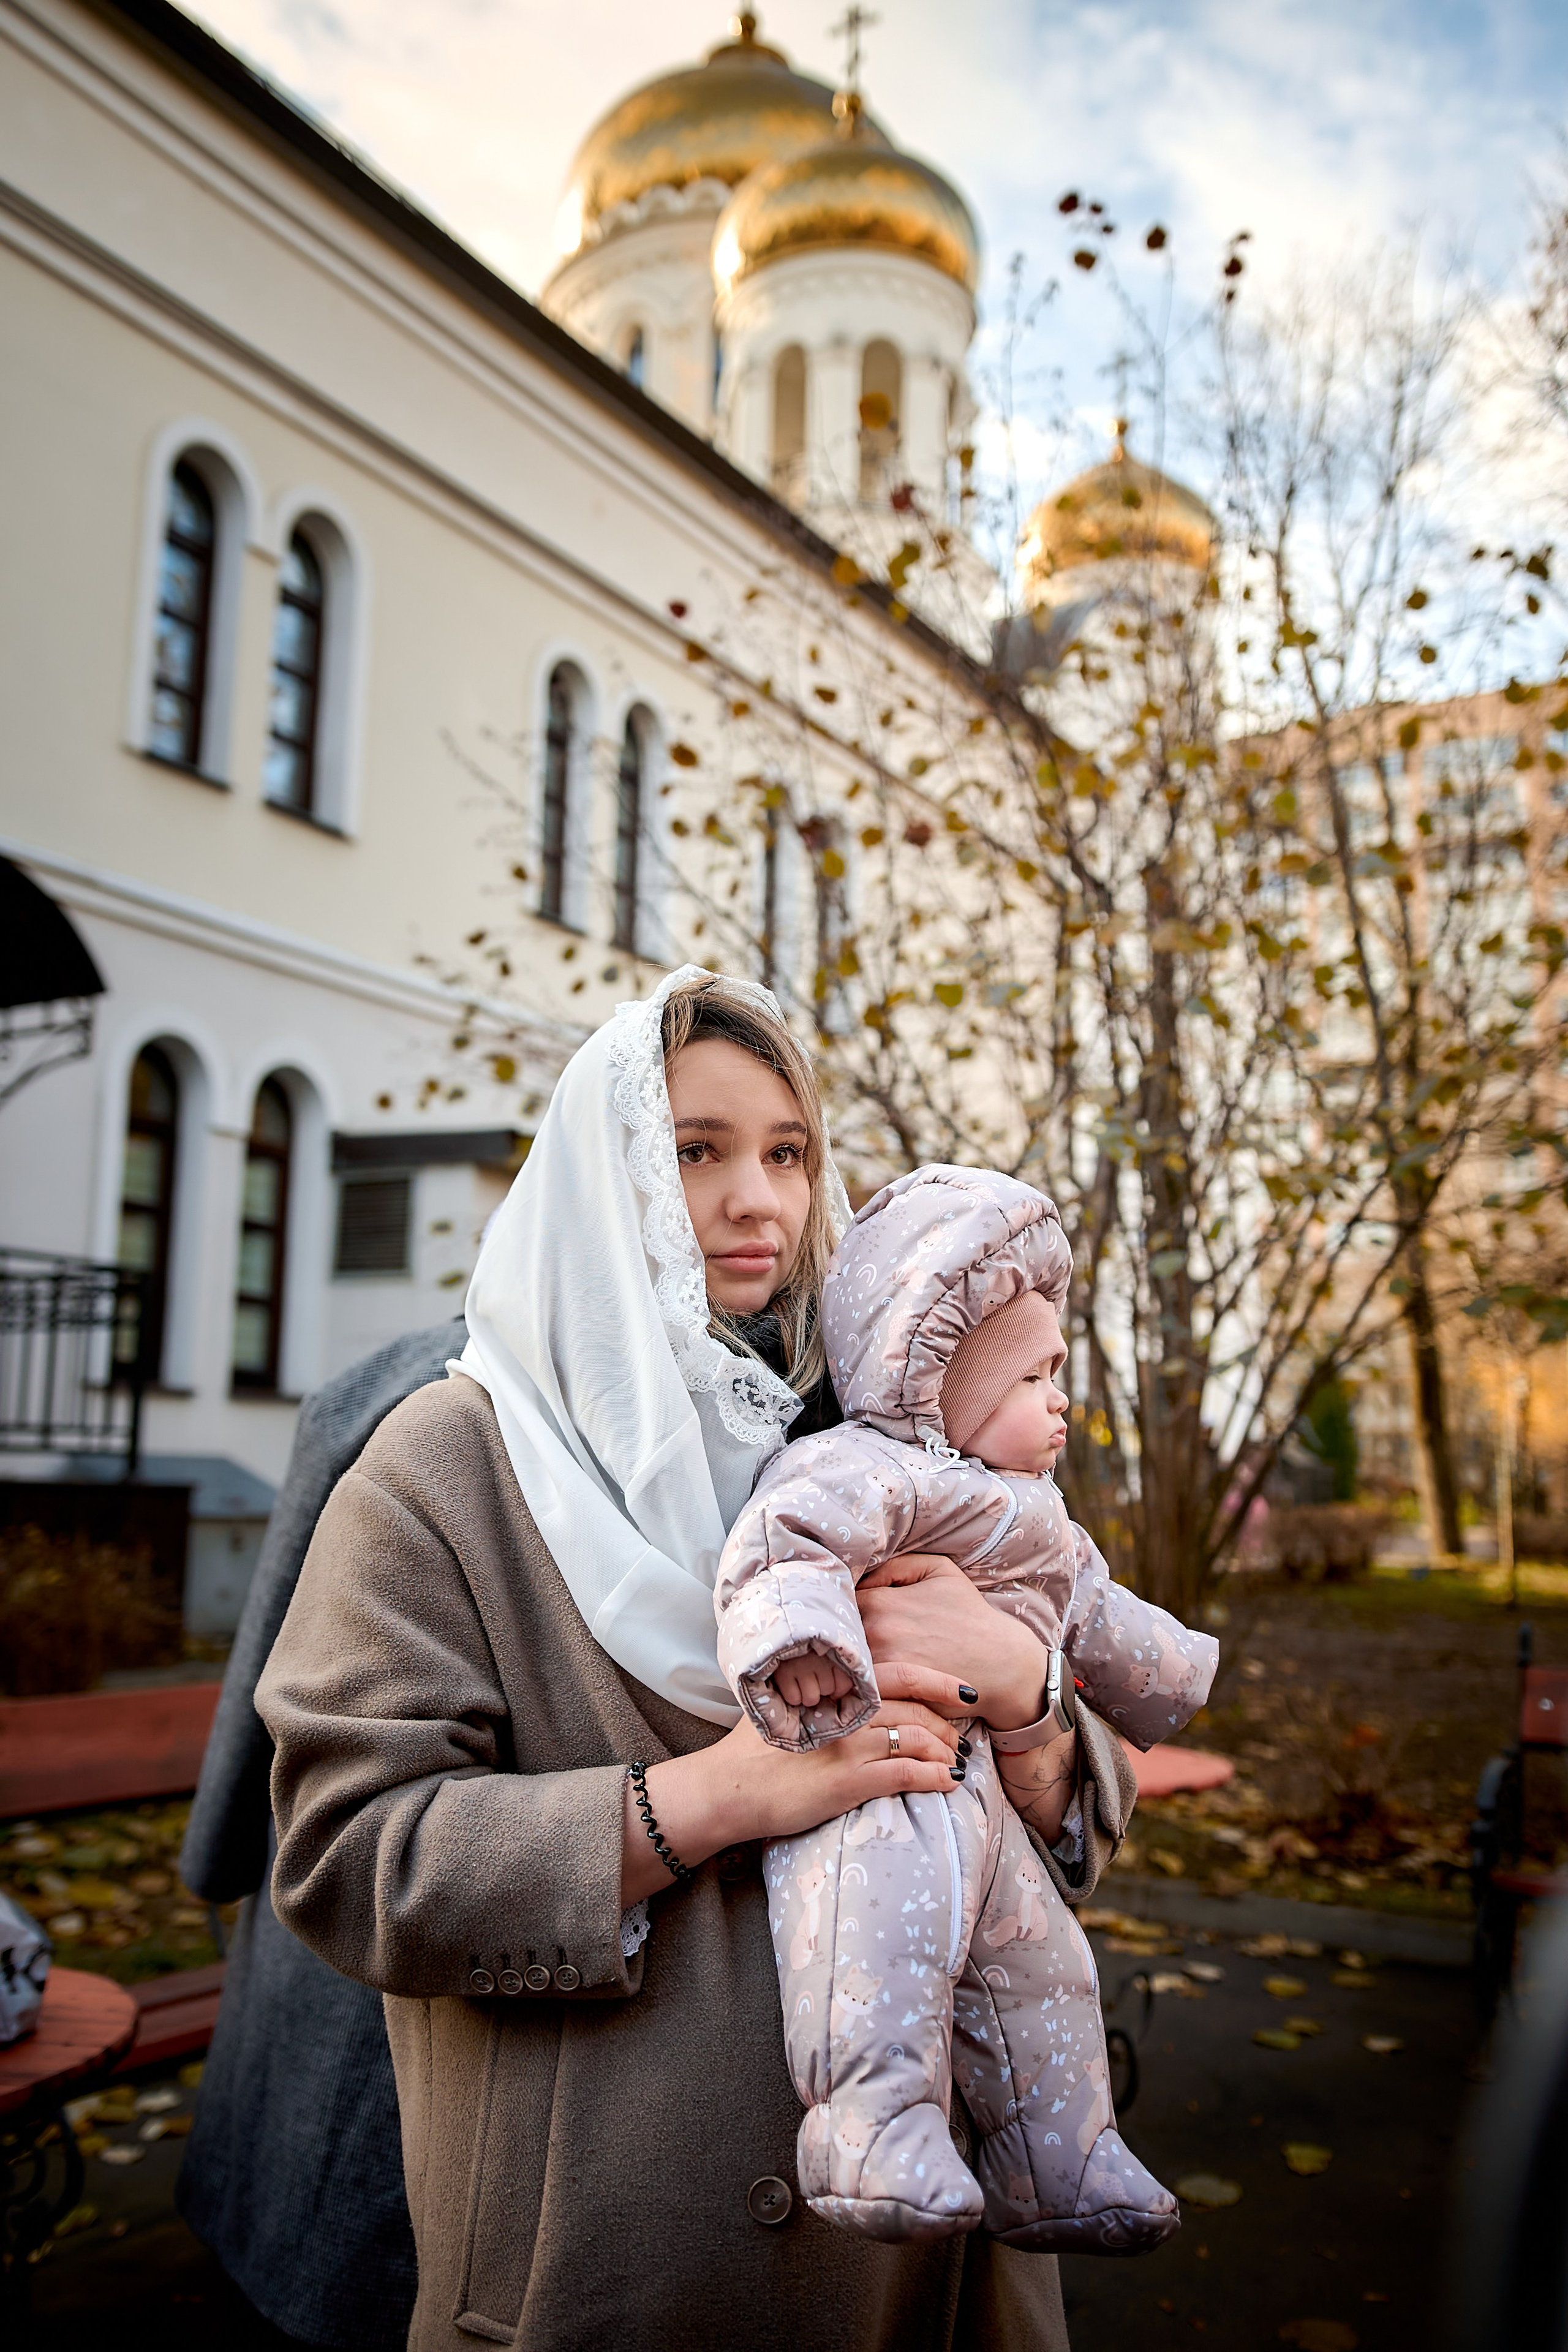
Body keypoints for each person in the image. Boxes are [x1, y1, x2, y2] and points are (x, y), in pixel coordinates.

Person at [257, 967, 1137, 2352]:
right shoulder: (449, 1469)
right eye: (695, 1150)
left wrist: (1020, 1695)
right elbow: (347, 1859)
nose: (760, 1201)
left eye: (787, 1153)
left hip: (915, 2270)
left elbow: (1078, 1831)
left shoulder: (884, 1440)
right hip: (605, 2269)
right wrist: (716, 1798)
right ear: (604, 1171)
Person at [715, 1165, 1217, 2248]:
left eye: (1057, 1371)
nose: (1061, 1399)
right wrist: (800, 1641)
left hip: (994, 1818)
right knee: (868, 1958)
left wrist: (1171, 1673)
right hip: (880, 1789)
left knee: (1048, 1980)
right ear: (946, 1384)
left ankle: (1063, 2162)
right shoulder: (871, 1470)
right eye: (1033, 1377)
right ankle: (869, 2127)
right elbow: (784, 1542)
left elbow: (1097, 1607)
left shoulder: (1040, 1515)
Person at [178, 1319, 464, 2346]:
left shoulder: (389, 1374)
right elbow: (276, 1655)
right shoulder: (438, 1393)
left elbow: (263, 1650)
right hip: (396, 1875)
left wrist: (216, 1855)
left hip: (464, 1880)